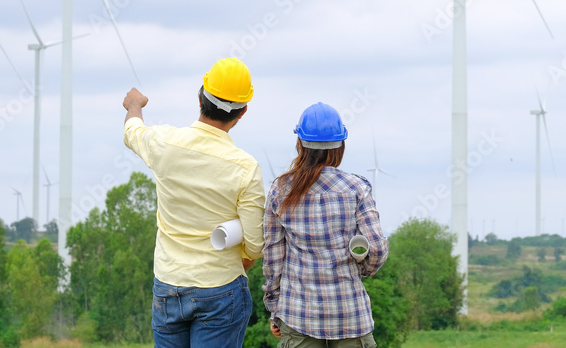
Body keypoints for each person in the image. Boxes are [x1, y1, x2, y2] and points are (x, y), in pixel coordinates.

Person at [122, 57, 264, 348]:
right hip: (220, 289)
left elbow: (132, 131)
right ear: (243, 111)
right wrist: (237, 263)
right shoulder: (245, 168)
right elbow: (255, 244)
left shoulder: (164, 142)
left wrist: (134, 105)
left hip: (168, 285)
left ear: (200, 97)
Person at [262, 102, 389, 347]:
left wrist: (274, 308)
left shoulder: (281, 190)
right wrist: (360, 270)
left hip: (297, 315)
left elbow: (273, 257)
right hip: (351, 316)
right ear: (340, 145)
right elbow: (377, 249)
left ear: (300, 144)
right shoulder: (357, 188)